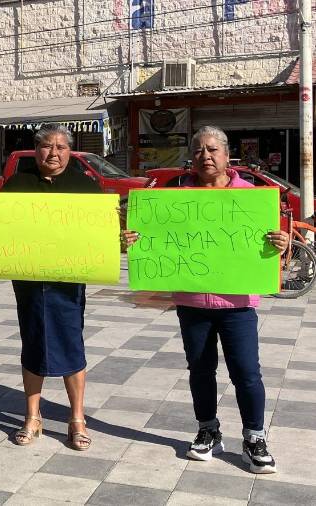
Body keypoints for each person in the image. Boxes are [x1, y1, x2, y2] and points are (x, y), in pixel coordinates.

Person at [123, 125, 287, 474]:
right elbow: (152, 239)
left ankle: (254, 437)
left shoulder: (251, 197)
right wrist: (134, 239)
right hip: (192, 302)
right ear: (191, 157)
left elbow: (271, 246)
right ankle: (207, 429)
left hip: (238, 304)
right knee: (200, 369)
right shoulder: (177, 198)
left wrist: (281, 245)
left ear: (228, 156)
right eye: (198, 150)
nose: (205, 156)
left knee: (247, 373)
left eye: (213, 149)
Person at [1, 124, 98, 451]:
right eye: (46, 146)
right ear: (36, 148)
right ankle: (32, 416)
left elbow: (99, 234)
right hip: (28, 280)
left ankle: (77, 418)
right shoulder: (17, 184)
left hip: (68, 282)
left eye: (60, 147)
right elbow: (3, 229)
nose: (53, 153)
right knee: (32, 340)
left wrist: (118, 235)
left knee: (71, 340)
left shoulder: (85, 186)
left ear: (70, 151)